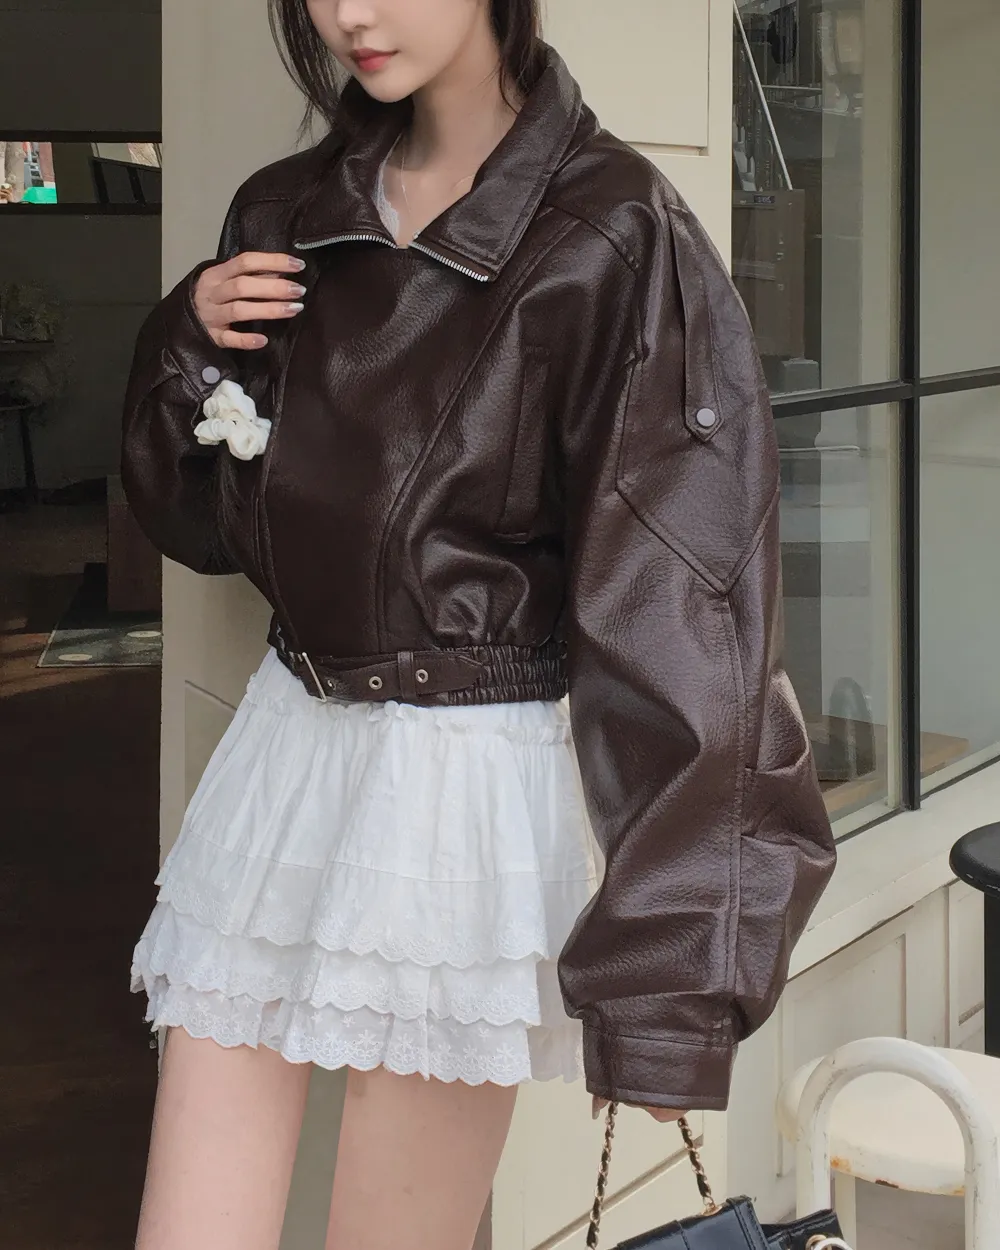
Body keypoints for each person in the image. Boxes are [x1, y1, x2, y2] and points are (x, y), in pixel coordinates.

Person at [120, 2, 837, 1248]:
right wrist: (183, 345)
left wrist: (669, 988)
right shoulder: (285, 212)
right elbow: (205, 531)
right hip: (285, 745)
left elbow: (685, 612)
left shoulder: (615, 232)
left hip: (460, 778)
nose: (350, 14)